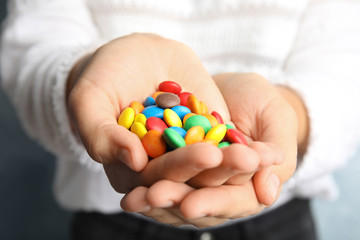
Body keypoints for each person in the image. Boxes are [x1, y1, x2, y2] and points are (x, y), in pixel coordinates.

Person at [1, 0, 360, 239]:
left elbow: (345, 69)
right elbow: (31, 47)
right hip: (111, 224)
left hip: (279, 224)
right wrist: (82, 77)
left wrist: (288, 111)